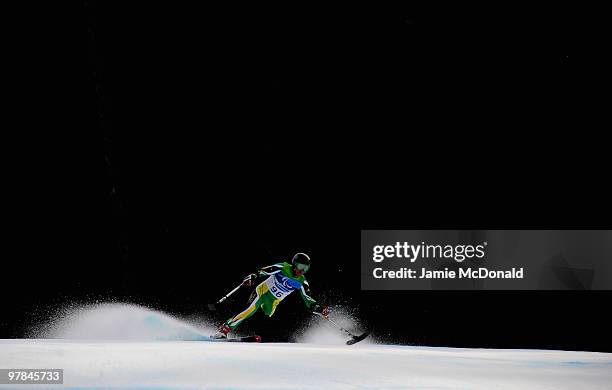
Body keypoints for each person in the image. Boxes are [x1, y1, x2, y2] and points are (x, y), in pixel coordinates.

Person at [213, 252, 330, 338]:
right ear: (294, 264)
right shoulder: (283, 268)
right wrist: (252, 277)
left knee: (267, 317)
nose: (301, 271)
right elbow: (264, 271)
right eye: (300, 267)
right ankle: (225, 329)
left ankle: (251, 334)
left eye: (305, 268)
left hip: (272, 302)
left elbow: (308, 299)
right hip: (262, 292)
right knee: (250, 309)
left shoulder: (302, 282)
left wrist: (319, 309)